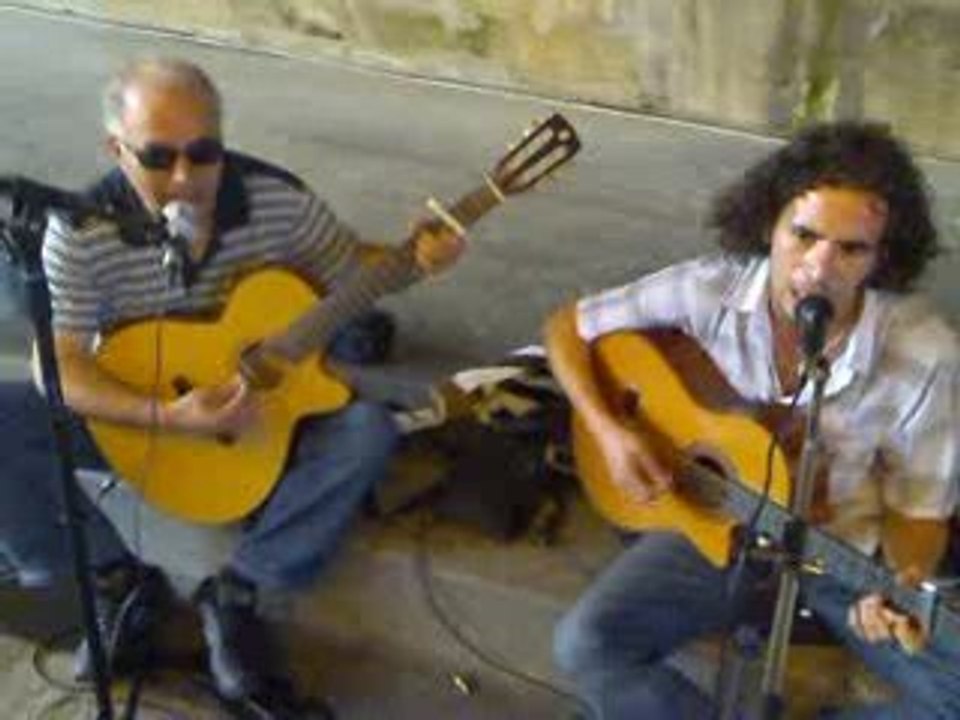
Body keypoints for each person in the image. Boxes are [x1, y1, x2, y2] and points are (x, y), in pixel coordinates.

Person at [0, 57, 464, 715]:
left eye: (205, 152)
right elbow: (61, 364)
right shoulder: (78, 229)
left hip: (260, 425)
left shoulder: (278, 200)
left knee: (367, 431)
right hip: (142, 418)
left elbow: (349, 269)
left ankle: (240, 593)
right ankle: (115, 580)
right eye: (158, 157)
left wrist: (416, 259)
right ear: (116, 148)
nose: (186, 177)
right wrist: (165, 415)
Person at [546, 121, 960, 718]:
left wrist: (901, 580)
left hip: (838, 550)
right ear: (769, 223)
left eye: (851, 249)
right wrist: (611, 433)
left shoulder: (926, 352)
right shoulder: (709, 290)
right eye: (803, 235)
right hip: (717, 530)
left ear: (882, 258)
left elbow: (920, 511)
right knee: (586, 644)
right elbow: (567, 327)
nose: (818, 268)